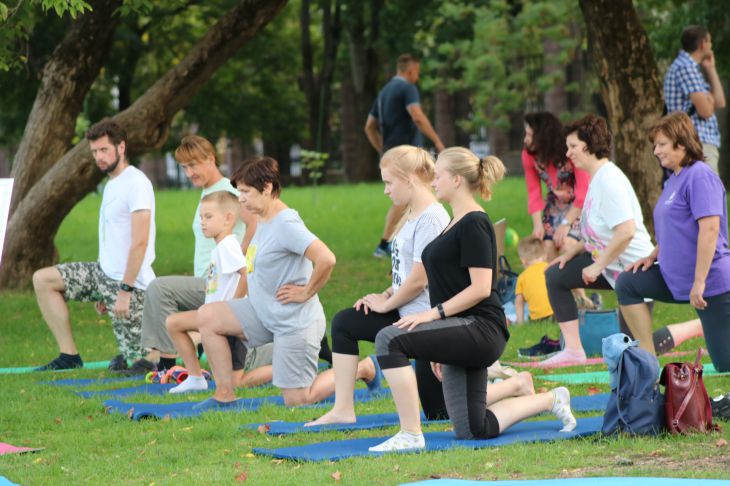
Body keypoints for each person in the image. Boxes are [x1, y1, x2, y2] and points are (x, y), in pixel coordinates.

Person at [368, 147, 576, 452]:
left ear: (456, 180)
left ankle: (410, 434)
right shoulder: (453, 221)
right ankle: (551, 398)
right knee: (472, 429)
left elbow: (481, 288)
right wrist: (440, 342)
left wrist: (432, 316)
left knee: (389, 339)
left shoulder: (476, 223)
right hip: (461, 329)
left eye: (438, 176)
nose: (433, 181)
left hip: (481, 330)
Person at [543, 115, 704, 366]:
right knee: (556, 274)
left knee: (633, 351)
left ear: (588, 145)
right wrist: (570, 254)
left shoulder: (609, 180)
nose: (568, 152)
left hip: (635, 268)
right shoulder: (596, 179)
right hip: (612, 268)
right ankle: (573, 350)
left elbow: (626, 231)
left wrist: (596, 265)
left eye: (572, 146)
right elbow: (597, 233)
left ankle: (695, 326)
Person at [195, 156, 337, 409]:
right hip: (262, 312)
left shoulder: (286, 224)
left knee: (297, 400)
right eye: (239, 192)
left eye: (246, 192)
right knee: (207, 316)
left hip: (294, 322)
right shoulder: (262, 216)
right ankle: (224, 395)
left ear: (267, 188)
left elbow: (326, 259)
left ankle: (362, 369)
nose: (241, 199)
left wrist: (306, 292)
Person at [128, 135, 270, 376]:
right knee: (166, 299)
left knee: (160, 288)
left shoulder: (227, 189)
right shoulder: (208, 191)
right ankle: (176, 357)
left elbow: (254, 223)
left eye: (193, 165)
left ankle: (166, 363)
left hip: (219, 282)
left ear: (211, 159)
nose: (189, 173)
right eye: (184, 167)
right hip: (210, 279)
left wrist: (239, 260)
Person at [32, 119, 156, 370]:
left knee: (141, 362)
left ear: (121, 148)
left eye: (104, 150)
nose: (98, 157)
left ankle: (191, 343)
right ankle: (69, 357)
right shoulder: (111, 184)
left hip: (130, 283)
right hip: (103, 275)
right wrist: (101, 286)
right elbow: (112, 240)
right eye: (94, 152)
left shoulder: (136, 182)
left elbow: (140, 242)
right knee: (43, 279)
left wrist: (124, 291)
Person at [616, 113, 730, 372]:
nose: (656, 151)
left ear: (681, 143)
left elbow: (710, 229)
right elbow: (676, 228)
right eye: (654, 145)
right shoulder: (674, 179)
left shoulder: (700, 176)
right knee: (628, 283)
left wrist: (699, 282)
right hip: (675, 278)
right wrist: (653, 255)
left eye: (661, 144)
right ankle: (647, 362)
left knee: (725, 365)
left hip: (710, 283)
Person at [166, 191, 271, 393]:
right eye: (201, 217)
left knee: (174, 322)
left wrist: (231, 305)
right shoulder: (221, 247)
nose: (202, 223)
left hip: (225, 318)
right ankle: (195, 377)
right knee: (236, 382)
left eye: (208, 217)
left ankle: (196, 377)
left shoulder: (228, 247)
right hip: (219, 318)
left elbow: (247, 275)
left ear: (228, 219)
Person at [365, 53, 445, 258]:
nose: (417, 78)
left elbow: (369, 127)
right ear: (410, 71)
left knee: (407, 199)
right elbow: (417, 116)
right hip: (408, 154)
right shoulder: (407, 88)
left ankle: (401, 241)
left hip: (393, 153)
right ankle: (385, 244)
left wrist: (383, 149)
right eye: (416, 73)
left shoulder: (383, 92)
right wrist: (437, 141)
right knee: (415, 195)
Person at [664, 25, 725, 173]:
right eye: (710, 41)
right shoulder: (686, 67)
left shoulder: (690, 67)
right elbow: (705, 111)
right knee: (707, 194)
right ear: (703, 44)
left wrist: (711, 69)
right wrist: (708, 100)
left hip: (696, 144)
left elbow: (720, 102)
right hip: (697, 145)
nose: (711, 45)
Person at [514, 236, 554, 324]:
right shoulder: (551, 268)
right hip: (558, 314)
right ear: (545, 256)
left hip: (537, 319)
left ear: (523, 261)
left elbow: (519, 301)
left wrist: (520, 321)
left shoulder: (522, 277)